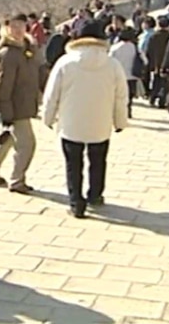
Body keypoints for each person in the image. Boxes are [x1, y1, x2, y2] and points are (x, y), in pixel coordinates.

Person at [41, 21, 128, 218]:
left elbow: (51, 94)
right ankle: (95, 195)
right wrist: (120, 121)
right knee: (98, 161)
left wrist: (48, 117)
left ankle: (76, 203)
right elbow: (121, 96)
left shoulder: (65, 62)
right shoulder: (112, 64)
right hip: (100, 124)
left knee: (74, 164)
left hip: (71, 124)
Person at [0, 13, 42, 194]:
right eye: (13, 26)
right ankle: (17, 180)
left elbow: (40, 72)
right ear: (6, 29)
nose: (17, 30)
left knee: (8, 138)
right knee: (27, 144)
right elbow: (1, 87)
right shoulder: (7, 53)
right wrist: (6, 115)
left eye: (21, 25)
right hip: (15, 107)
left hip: (26, 103)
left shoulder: (29, 49)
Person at [109, 28, 143, 118]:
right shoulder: (135, 48)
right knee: (129, 95)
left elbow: (109, 61)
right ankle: (128, 111)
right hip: (132, 75)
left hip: (117, 75)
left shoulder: (115, 47)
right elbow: (145, 60)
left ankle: (117, 112)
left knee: (117, 95)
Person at [146, 16, 169, 107]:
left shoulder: (154, 36)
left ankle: (152, 99)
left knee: (155, 82)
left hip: (156, 63)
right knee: (165, 84)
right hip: (166, 64)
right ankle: (162, 101)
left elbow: (149, 50)